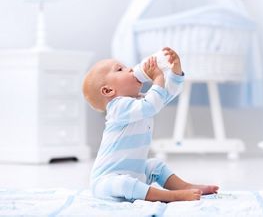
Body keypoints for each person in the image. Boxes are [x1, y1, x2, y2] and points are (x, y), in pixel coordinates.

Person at [82, 47, 219, 202]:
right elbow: (151, 105)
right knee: (125, 183)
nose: (131, 69)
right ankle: (171, 196)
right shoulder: (117, 108)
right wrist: (157, 79)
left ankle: (185, 186)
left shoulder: (140, 101)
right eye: (120, 69)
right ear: (108, 90)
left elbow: (166, 95)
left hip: (135, 174)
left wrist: (175, 72)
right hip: (106, 183)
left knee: (155, 166)